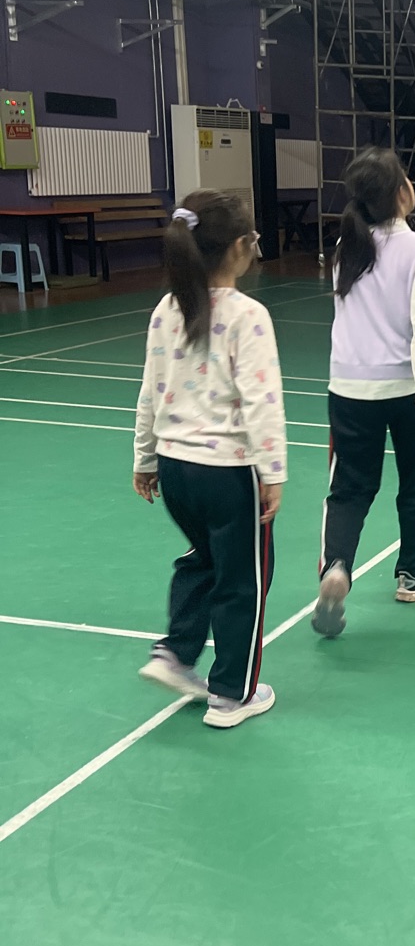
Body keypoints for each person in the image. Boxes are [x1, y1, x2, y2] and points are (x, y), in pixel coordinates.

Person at [133, 190, 285, 729]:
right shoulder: (249, 316)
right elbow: (262, 401)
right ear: (241, 247)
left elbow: (149, 392)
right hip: (228, 473)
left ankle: (175, 652)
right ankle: (232, 694)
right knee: (244, 578)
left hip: (176, 471)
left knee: (204, 558)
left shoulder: (165, 310)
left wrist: (145, 458)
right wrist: (273, 471)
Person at [313, 148, 415, 640]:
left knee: (349, 488)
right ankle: (413, 573)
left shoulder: (345, 246)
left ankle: (337, 566)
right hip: (408, 388)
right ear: (401, 193)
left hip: (349, 387)